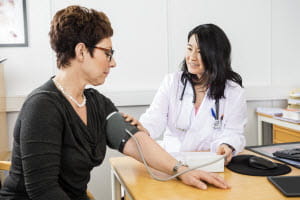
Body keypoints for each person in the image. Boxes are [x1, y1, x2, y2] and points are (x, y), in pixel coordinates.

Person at [0, 6, 229, 200]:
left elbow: (135, 140)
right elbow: (43, 191)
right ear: (81, 51)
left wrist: (182, 170)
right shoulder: (42, 107)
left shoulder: (97, 103)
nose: (113, 62)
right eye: (107, 53)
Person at [140, 24, 247, 164]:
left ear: (215, 55)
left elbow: (234, 132)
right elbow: (155, 117)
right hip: (172, 160)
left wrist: (227, 145)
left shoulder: (233, 92)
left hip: (209, 162)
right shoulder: (172, 82)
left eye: (200, 52)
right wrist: (142, 129)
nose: (192, 57)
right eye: (190, 49)